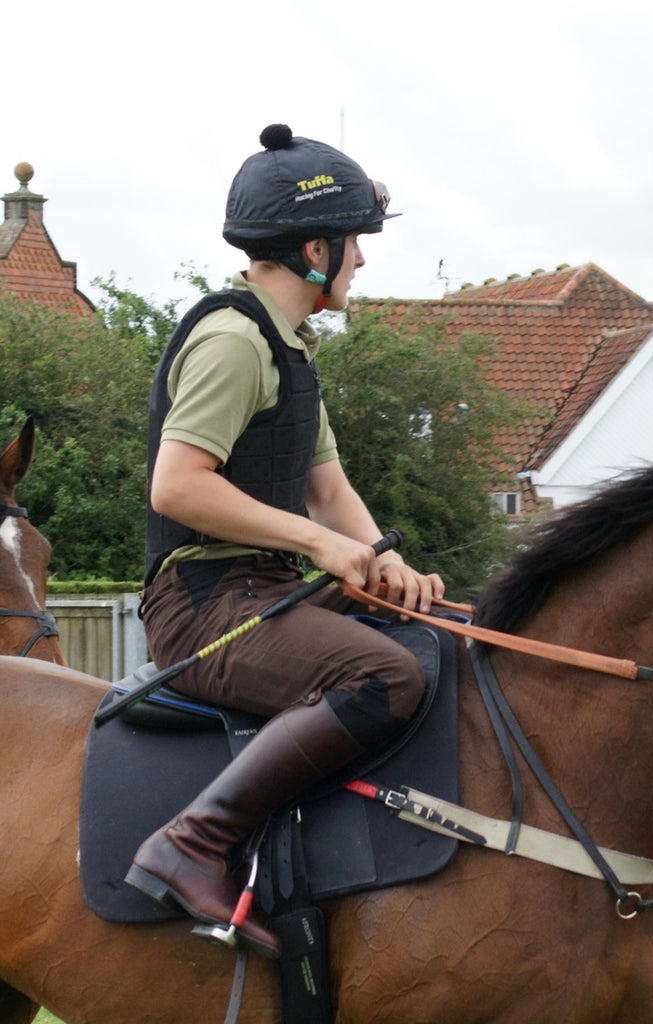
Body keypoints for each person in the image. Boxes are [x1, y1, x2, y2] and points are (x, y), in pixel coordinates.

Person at [126, 124, 444, 958]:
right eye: (354, 248)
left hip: (263, 591)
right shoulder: (235, 339)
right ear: (315, 248)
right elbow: (179, 485)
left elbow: (328, 487)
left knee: (435, 638)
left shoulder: (291, 345)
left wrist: (386, 557)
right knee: (384, 675)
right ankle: (193, 842)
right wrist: (318, 545)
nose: (361, 264)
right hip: (204, 608)